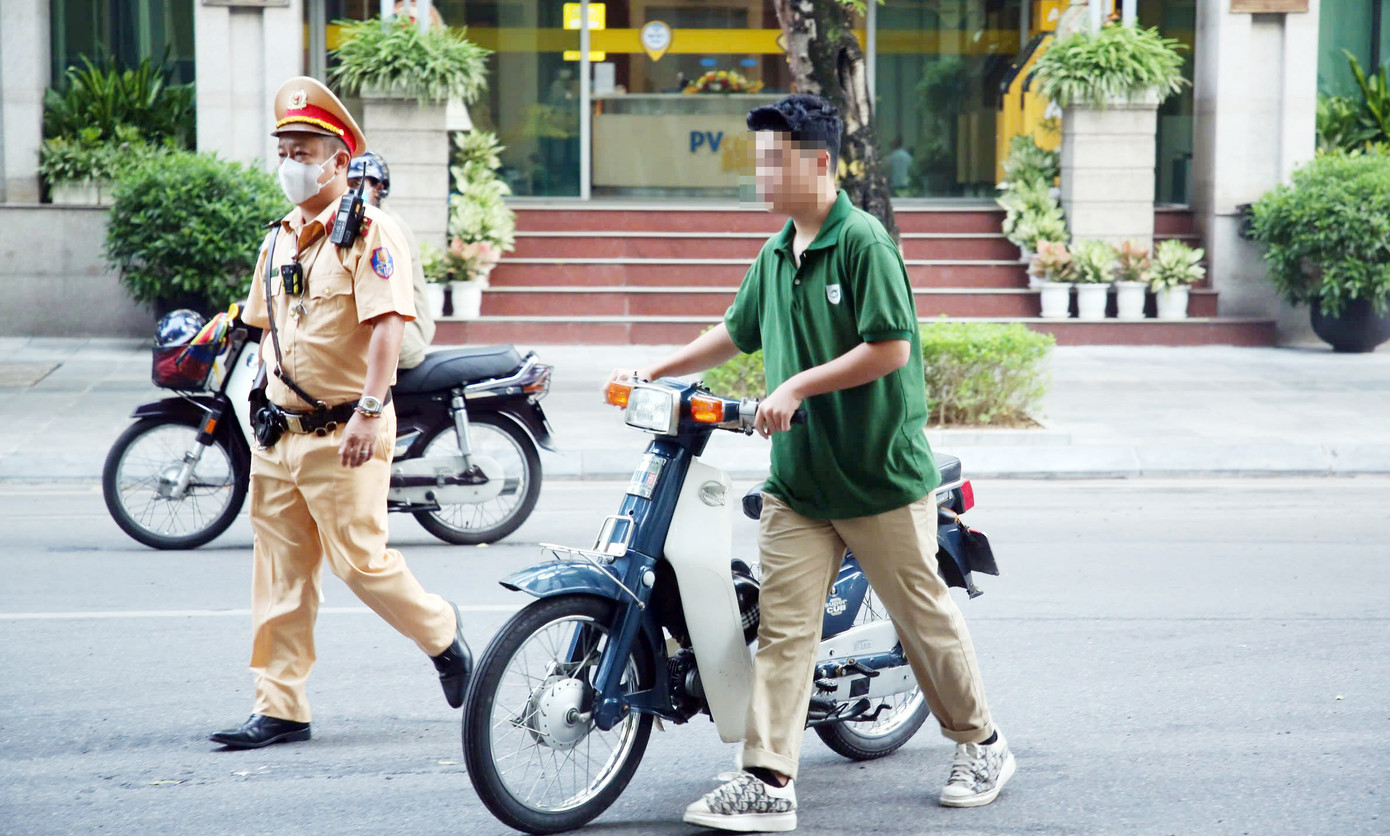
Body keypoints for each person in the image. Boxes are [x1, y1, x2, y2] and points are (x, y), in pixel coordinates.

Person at [607, 94, 1014, 831]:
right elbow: (735, 332)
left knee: (922, 620)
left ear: (819, 162)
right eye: (758, 161)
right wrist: (656, 369)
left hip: (878, 479)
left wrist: (795, 385)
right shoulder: (775, 254)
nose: (760, 175)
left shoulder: (862, 242)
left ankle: (981, 744)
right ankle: (768, 779)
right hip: (798, 484)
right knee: (786, 632)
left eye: (773, 161)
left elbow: (890, 347)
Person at [210, 77, 472, 750]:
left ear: (339, 159)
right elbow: (264, 324)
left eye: (303, 150)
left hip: (346, 430)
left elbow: (388, 325)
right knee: (280, 574)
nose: (290, 163)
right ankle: (280, 707)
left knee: (361, 564)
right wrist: (252, 381)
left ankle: (442, 634)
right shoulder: (279, 239)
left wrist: (371, 410)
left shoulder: (370, 233)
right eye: (284, 150)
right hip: (280, 433)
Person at [347, 152, 434, 370]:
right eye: (345, 185)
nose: (349, 192)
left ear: (379, 188)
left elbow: (385, 303)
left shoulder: (383, 226)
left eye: (357, 184)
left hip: (401, 339)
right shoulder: (355, 223)